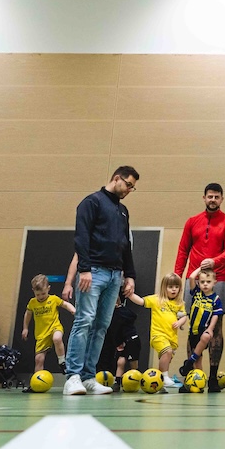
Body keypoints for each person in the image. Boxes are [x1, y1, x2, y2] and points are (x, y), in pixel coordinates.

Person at [64, 166, 138, 396]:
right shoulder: (91, 202)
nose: (129, 190)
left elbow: (126, 246)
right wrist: (84, 269)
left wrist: (130, 275)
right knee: (84, 321)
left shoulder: (123, 211)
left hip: (115, 275)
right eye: (128, 184)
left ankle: (88, 377)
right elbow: (81, 237)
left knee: (102, 327)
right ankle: (72, 377)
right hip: (93, 271)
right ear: (117, 178)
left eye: (133, 188)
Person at [174, 183, 225, 383]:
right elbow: (183, 250)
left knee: (215, 328)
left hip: (219, 279)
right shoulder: (192, 221)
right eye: (210, 196)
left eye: (217, 197)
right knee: (194, 326)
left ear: (222, 199)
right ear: (204, 198)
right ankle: (194, 373)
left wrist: (215, 261)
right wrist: (177, 276)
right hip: (193, 279)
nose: (213, 200)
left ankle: (212, 378)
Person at [127, 273, 186, 389]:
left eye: (176, 287)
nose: (174, 289)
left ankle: (159, 380)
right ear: (164, 287)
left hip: (172, 337)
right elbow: (141, 301)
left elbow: (184, 316)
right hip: (158, 335)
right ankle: (163, 377)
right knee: (167, 352)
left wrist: (180, 322)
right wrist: (130, 294)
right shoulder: (157, 300)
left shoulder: (179, 303)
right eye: (170, 287)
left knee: (167, 357)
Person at [178, 269, 224, 389]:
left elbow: (215, 315)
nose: (205, 284)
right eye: (202, 281)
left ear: (215, 282)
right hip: (193, 331)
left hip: (203, 330)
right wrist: (200, 268)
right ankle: (198, 382)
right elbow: (192, 277)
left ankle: (188, 363)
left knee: (206, 337)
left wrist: (210, 328)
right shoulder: (196, 292)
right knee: (197, 361)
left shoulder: (215, 299)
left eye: (208, 281)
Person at [22, 275, 75, 375]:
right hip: (41, 334)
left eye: (43, 293)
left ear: (48, 289)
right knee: (38, 359)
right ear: (33, 291)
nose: (41, 297)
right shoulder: (32, 303)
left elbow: (65, 304)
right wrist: (25, 328)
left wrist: (73, 310)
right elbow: (28, 314)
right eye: (38, 295)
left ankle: (62, 361)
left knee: (57, 339)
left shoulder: (53, 299)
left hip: (54, 327)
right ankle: (36, 381)